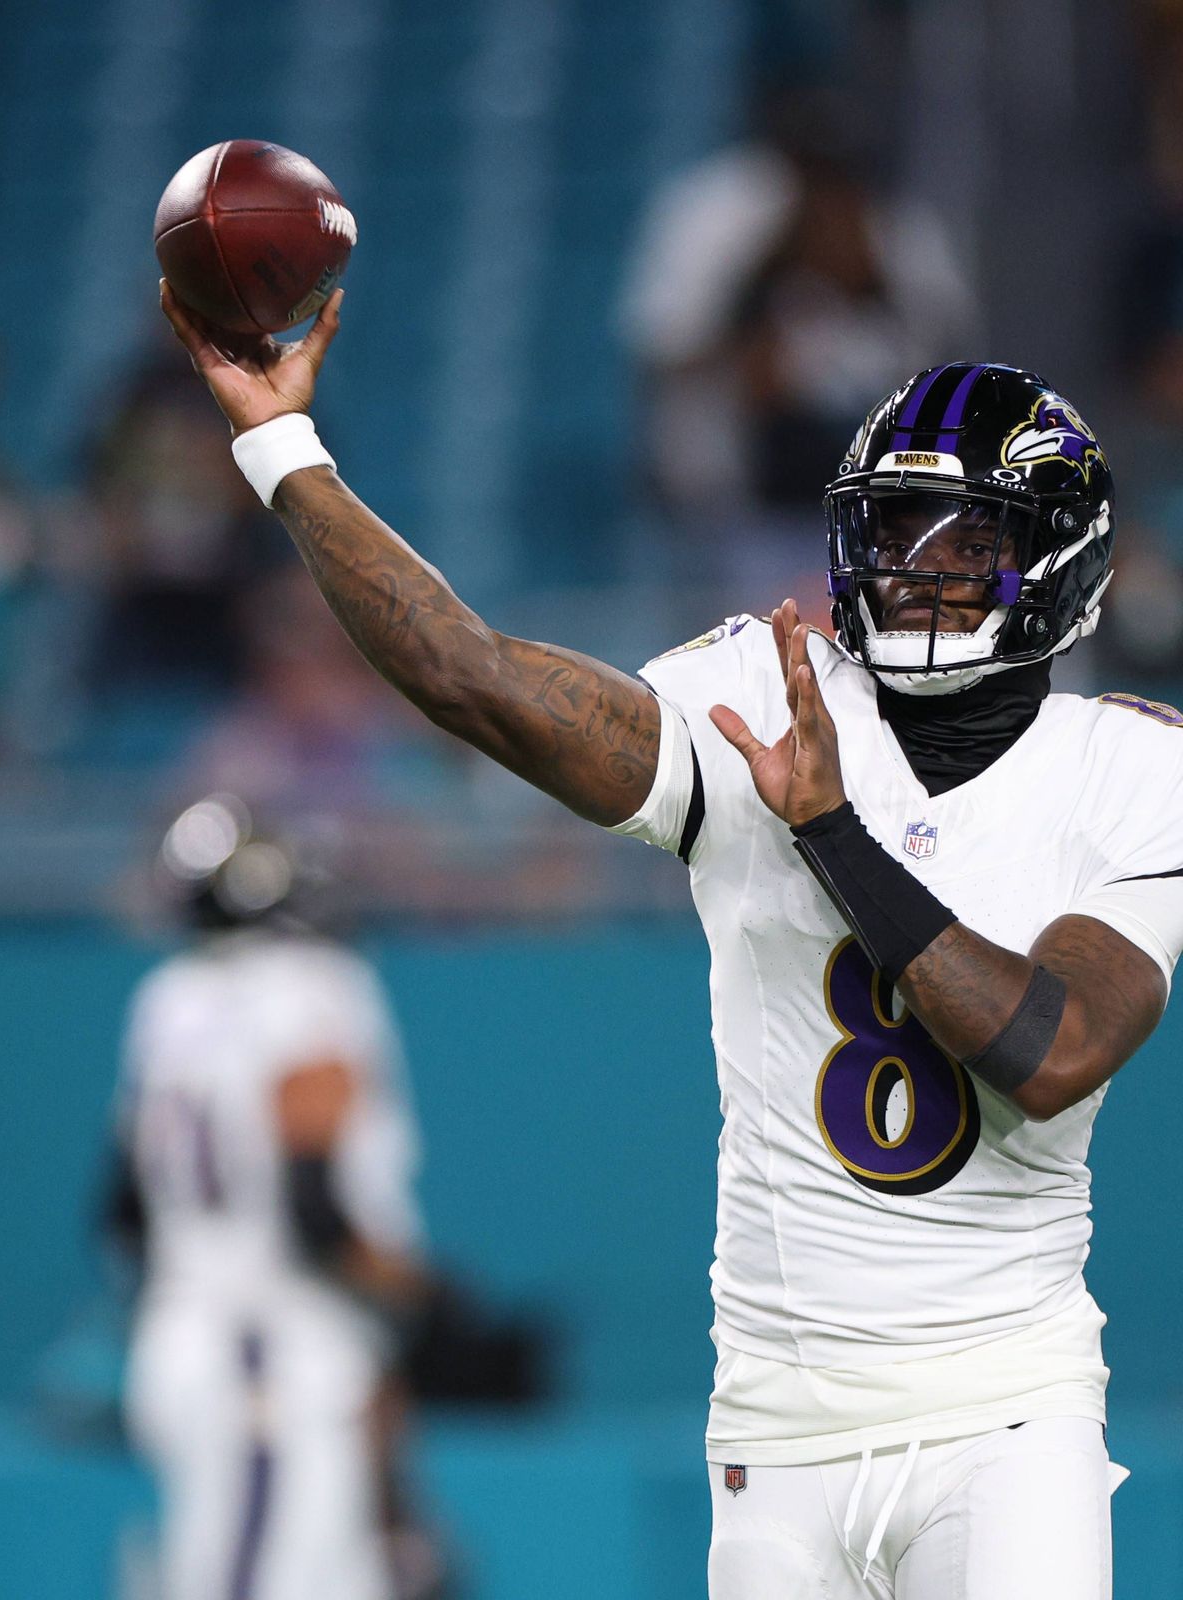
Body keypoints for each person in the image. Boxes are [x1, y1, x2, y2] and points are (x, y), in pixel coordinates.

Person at [160, 281, 1183, 1600]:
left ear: (1058, 560)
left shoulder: (1128, 772)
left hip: (1005, 1414)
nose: (916, 565)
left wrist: (835, 838)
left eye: (962, 539)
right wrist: (282, 451)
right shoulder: (763, 687)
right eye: (894, 529)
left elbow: (1052, 1048)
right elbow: (476, 677)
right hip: (776, 1425)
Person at [110, 792, 430, 1600]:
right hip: (268, 1346)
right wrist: (412, 1293)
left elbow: (122, 1211)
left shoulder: (165, 1001)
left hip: (189, 1336)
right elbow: (313, 1203)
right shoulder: (314, 988)